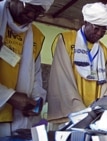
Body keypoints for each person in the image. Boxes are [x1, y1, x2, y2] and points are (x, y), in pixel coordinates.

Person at [47, 2, 107, 126]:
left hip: (96, 117)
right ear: (85, 22)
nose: (100, 34)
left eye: (104, 31)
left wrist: (100, 110)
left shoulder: (104, 51)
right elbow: (62, 78)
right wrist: (80, 111)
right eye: (97, 28)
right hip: (71, 114)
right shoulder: (66, 40)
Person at [0, 0, 54, 137]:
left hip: (17, 120)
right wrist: (9, 96)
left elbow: (35, 74)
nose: (31, 14)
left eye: (38, 12)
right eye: (29, 7)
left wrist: (36, 100)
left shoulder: (36, 35)